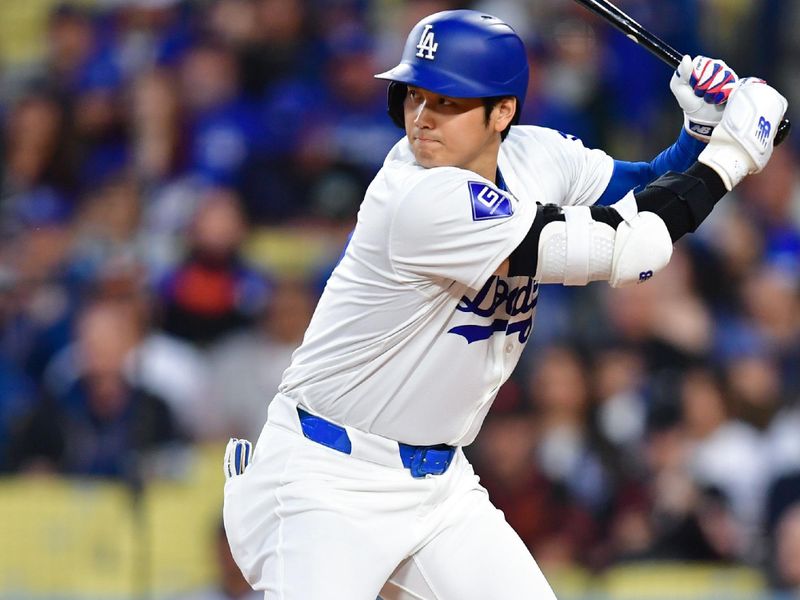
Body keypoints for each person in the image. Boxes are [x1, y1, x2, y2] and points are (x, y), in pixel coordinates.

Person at [221, 9, 788, 599]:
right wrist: (733, 155)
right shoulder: (416, 197)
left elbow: (644, 189)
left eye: (447, 101)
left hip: (438, 485)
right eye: (415, 95)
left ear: (503, 112)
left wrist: (697, 135)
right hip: (324, 479)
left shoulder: (537, 157)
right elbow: (632, 245)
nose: (421, 118)